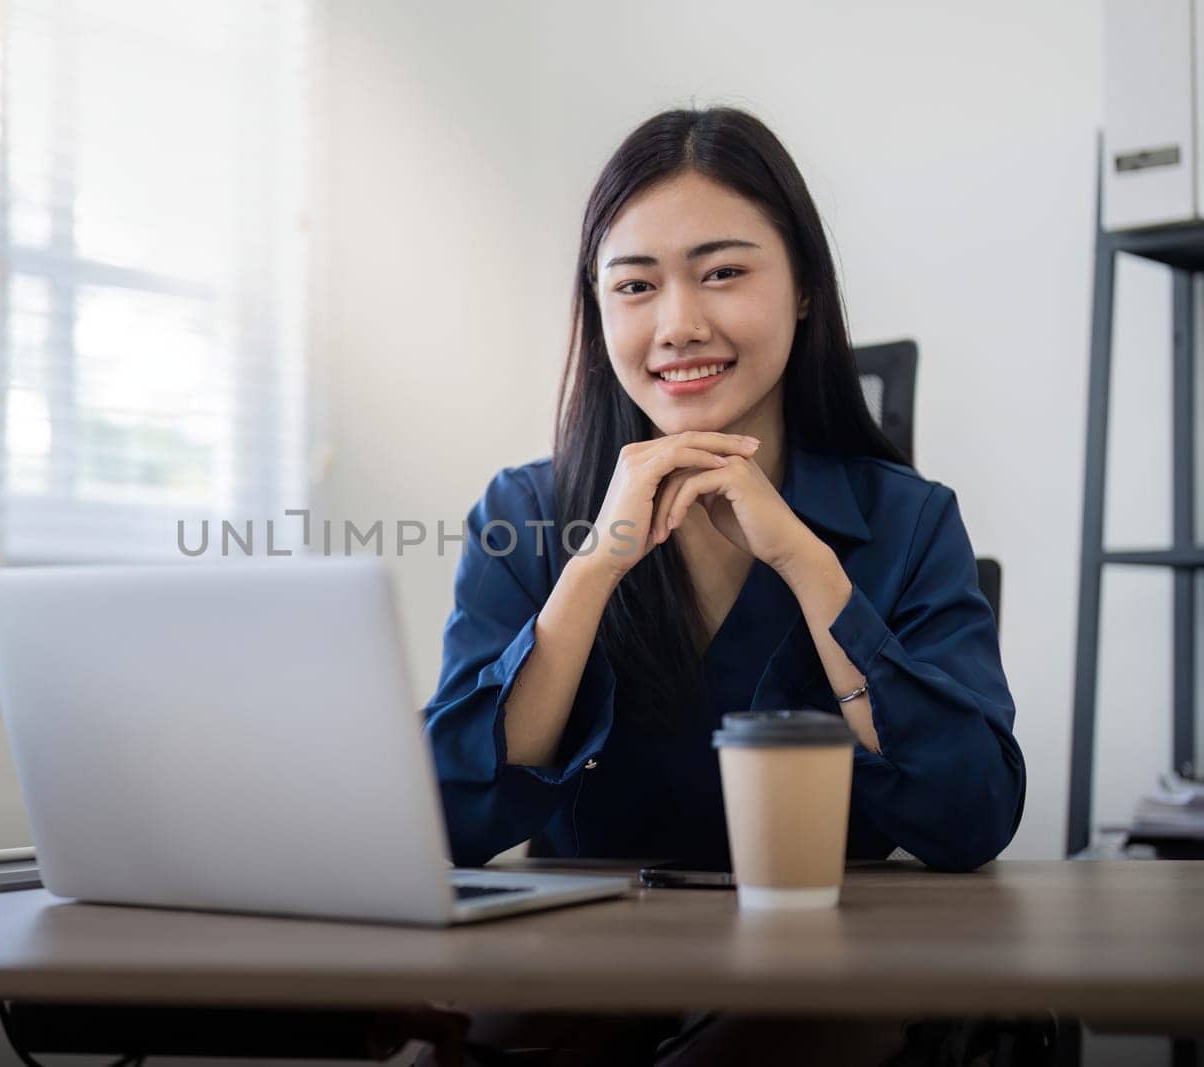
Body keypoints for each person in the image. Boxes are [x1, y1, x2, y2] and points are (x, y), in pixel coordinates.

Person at [418, 107, 1028, 1066]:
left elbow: (970, 817)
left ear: (804, 294)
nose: (679, 324)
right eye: (635, 285)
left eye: (723, 271)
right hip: (585, 967)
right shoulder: (524, 511)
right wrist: (595, 567)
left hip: (826, 968)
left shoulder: (909, 521)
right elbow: (448, 820)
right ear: (599, 310)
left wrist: (807, 563)